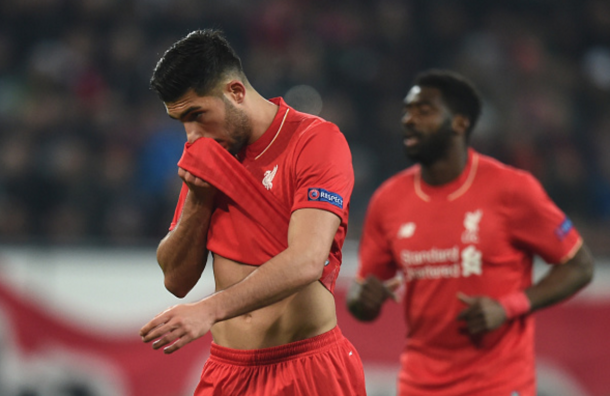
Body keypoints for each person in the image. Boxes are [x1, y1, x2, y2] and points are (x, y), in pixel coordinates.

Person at [139, 29, 366, 396]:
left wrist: (209, 310)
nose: (192, 136)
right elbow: (176, 280)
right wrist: (198, 200)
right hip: (227, 373)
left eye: (197, 114)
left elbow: (307, 260)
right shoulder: (209, 150)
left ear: (236, 92)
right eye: (181, 121)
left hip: (307, 367)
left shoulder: (314, 141)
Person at [346, 69, 594, 396]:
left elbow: (580, 265)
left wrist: (509, 307)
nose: (408, 120)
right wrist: (362, 299)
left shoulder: (512, 189)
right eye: (407, 111)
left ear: (460, 122)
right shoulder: (388, 200)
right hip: (419, 384)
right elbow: (361, 299)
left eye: (424, 111)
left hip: (499, 383)